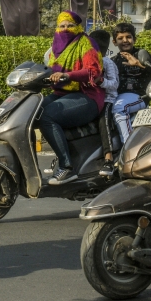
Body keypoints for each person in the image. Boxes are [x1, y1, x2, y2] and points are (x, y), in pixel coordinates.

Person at [41, 11, 106, 185]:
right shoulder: (56, 47)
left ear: (78, 27)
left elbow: (93, 71)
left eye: (70, 25)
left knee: (47, 116)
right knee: (35, 110)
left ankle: (66, 167)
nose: (66, 29)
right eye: (62, 26)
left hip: (87, 95)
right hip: (62, 93)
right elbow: (52, 71)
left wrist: (69, 76)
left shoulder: (86, 43)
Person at [110, 22, 151, 143]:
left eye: (128, 37)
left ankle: (128, 146)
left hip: (140, 96)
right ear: (114, 42)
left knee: (120, 107)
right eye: (120, 38)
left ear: (134, 39)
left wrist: (139, 64)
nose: (125, 40)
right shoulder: (113, 61)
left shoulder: (141, 54)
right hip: (118, 97)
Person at [88, 28, 120, 166]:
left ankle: (108, 157)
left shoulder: (108, 63)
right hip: (92, 98)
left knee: (103, 119)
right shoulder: (87, 62)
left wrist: (101, 82)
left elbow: (114, 84)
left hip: (108, 99)